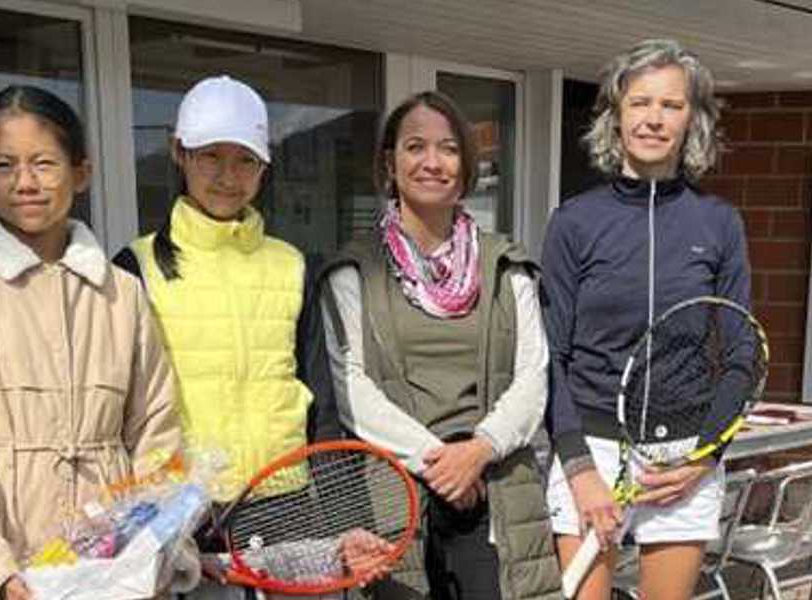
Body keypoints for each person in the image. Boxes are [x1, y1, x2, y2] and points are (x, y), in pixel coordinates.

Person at [0, 85, 195, 600]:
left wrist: (152, 546)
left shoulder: (122, 293)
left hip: (108, 570)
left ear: (80, 172)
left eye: (44, 163)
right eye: (3, 166)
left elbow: (157, 431)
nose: (25, 182)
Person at [319, 90, 562, 600]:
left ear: (467, 165)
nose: (432, 162)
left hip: (496, 490)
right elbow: (352, 388)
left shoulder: (506, 266)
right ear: (390, 162)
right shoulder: (353, 271)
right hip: (398, 492)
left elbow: (532, 375)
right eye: (415, 147)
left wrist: (478, 450)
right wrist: (442, 460)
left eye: (448, 148)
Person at [112, 75, 341, 596]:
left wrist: (333, 505)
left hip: (286, 499)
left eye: (245, 160)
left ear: (264, 167)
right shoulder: (136, 266)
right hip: (186, 514)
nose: (227, 176)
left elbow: (320, 395)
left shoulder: (293, 265)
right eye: (210, 156)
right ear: (179, 153)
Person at [541, 39, 750, 600]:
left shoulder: (719, 224)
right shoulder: (574, 222)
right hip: (592, 450)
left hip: (682, 457)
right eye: (639, 103)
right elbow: (549, 359)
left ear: (693, 120)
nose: (654, 118)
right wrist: (581, 469)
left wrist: (705, 457)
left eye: (671, 105)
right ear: (616, 115)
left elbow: (740, 356)